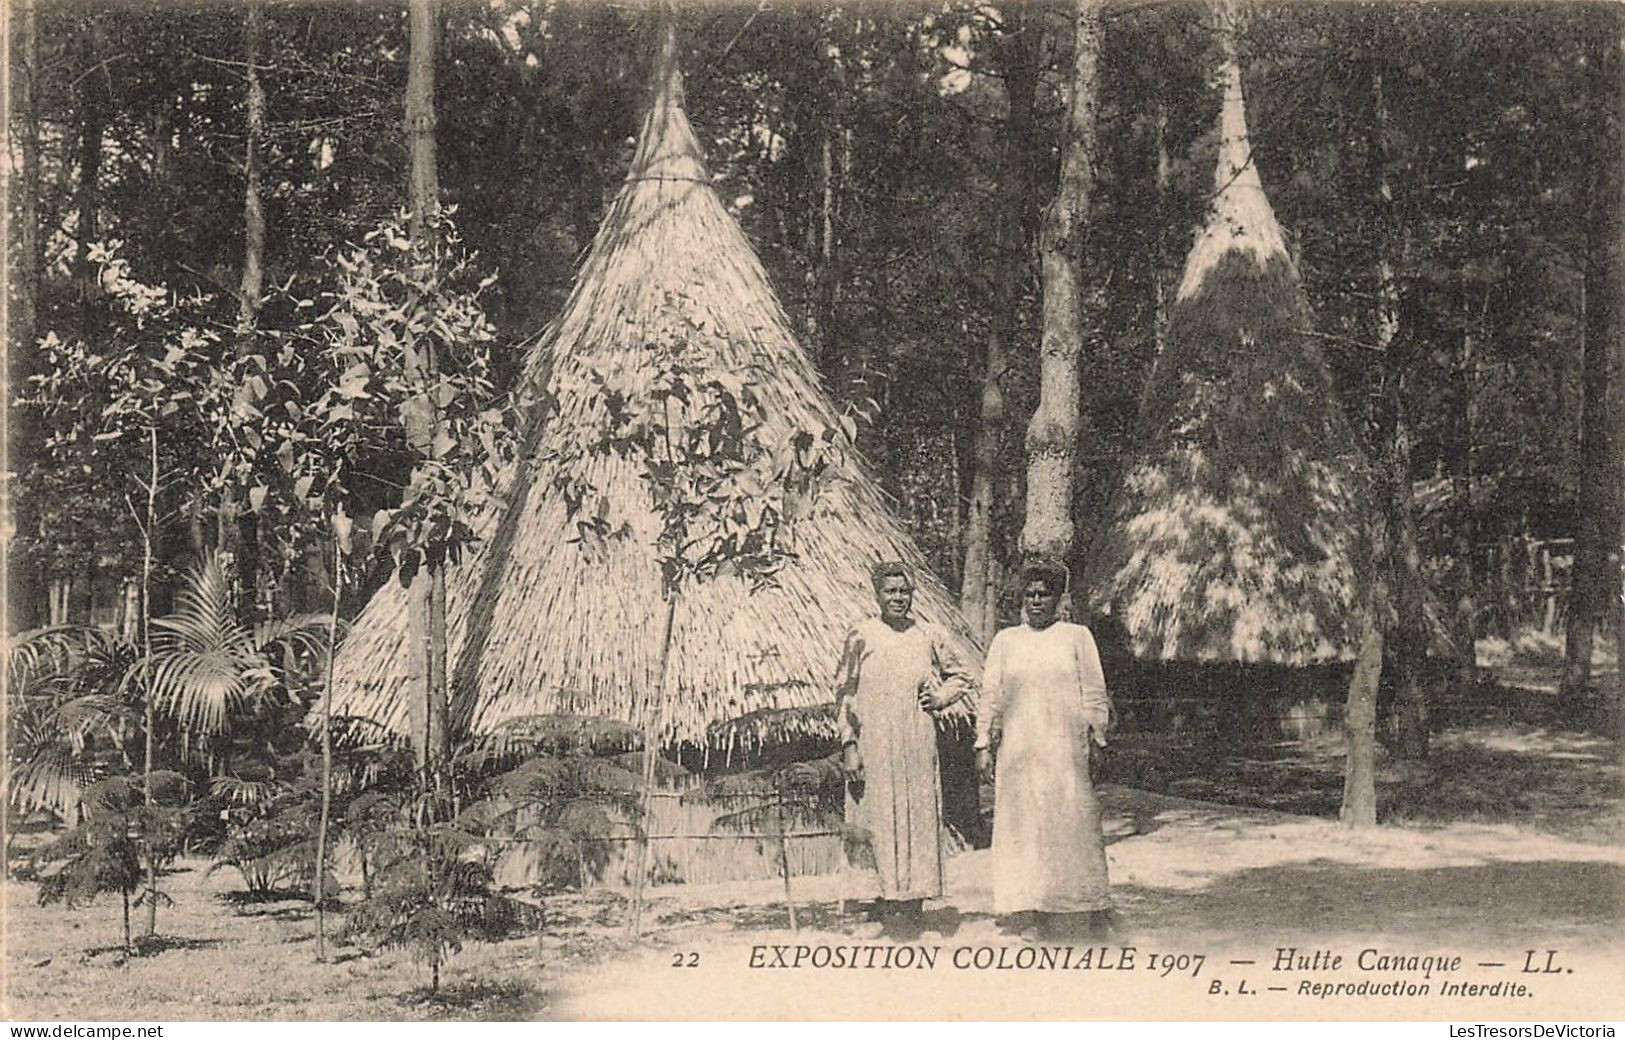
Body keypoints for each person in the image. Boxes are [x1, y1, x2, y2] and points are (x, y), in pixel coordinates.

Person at [835, 560, 976, 939]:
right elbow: (845, 693)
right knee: (878, 818)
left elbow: (962, 674)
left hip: (916, 737)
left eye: (904, 591)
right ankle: (884, 902)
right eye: (890, 591)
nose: (898, 598)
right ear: (877, 595)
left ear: (912, 594)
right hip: (874, 742)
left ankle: (911, 906)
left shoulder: (928, 634)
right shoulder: (860, 636)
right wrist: (849, 743)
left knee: (915, 817)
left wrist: (941, 697)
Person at [975, 560, 1114, 940]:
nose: (1036, 600)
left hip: (1064, 748)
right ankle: (1029, 907)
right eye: (1030, 594)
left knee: (1070, 819)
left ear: (1057, 599)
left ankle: (1079, 904)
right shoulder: (1006, 641)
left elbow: (1094, 691)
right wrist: (983, 742)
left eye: (1044, 594)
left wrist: (1097, 738)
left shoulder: (1077, 636)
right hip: (1020, 751)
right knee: (1024, 826)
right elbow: (991, 695)